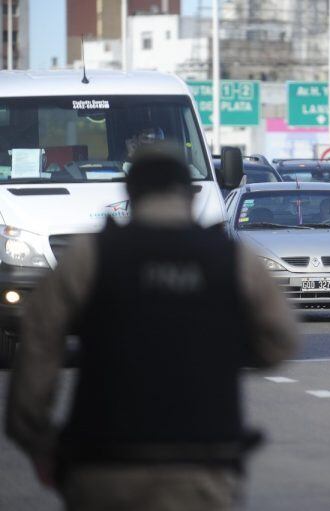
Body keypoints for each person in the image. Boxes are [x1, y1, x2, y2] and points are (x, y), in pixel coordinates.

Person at [5, 146, 298, 511]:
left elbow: (39, 334)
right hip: (202, 465)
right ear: (188, 196)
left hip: (103, 463)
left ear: (131, 195)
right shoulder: (231, 258)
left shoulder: (94, 253)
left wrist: (35, 436)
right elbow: (280, 342)